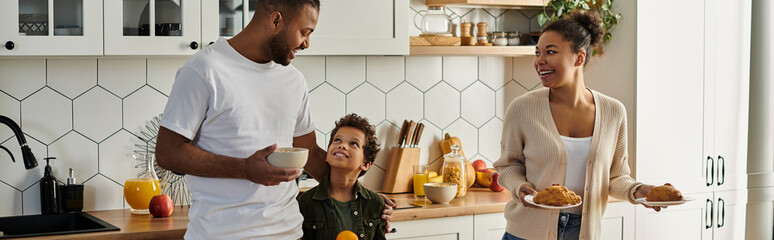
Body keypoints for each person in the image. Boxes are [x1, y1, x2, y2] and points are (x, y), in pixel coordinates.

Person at [154, 1, 393, 239]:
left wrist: (362, 197)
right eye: (304, 32)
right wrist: (245, 169)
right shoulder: (203, 70)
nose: (306, 43)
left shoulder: (293, 80)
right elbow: (168, 152)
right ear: (276, 20)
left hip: (289, 233)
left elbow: (310, 152)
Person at [493, 11, 661, 240]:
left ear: (579, 58)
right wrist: (519, 187)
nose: (539, 60)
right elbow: (507, 166)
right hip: (526, 233)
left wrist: (637, 191)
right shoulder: (522, 108)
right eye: (537, 52)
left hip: (583, 233)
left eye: (550, 51)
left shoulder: (614, 112)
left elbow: (616, 177)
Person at [298, 113, 387, 240]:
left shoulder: (375, 203)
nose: (342, 145)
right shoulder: (306, 202)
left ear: (366, 164)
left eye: (354, 144)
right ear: (327, 155)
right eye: (337, 140)